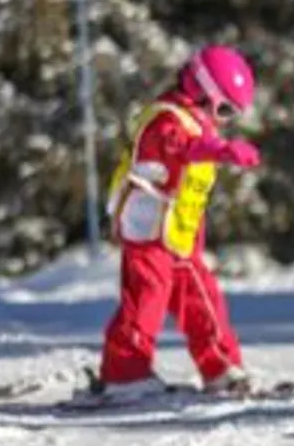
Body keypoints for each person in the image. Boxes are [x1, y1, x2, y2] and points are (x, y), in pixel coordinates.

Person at [95, 45, 262, 400]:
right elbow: (180, 147)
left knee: (203, 298)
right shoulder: (166, 119)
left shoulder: (199, 123)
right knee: (147, 298)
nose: (224, 120)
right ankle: (124, 372)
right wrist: (221, 151)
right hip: (147, 230)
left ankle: (220, 366)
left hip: (177, 234)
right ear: (201, 91)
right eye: (225, 109)